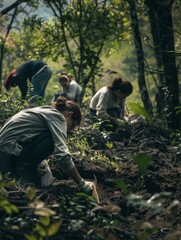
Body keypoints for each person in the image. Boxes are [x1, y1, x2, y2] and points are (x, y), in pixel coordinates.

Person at [0, 96, 94, 193]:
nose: (70, 130)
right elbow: (62, 155)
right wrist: (82, 184)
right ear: (69, 115)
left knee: (43, 170)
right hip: (10, 154)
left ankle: (23, 170)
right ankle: (24, 170)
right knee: (51, 139)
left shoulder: (43, 110)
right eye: (73, 125)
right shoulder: (59, 117)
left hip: (5, 153)